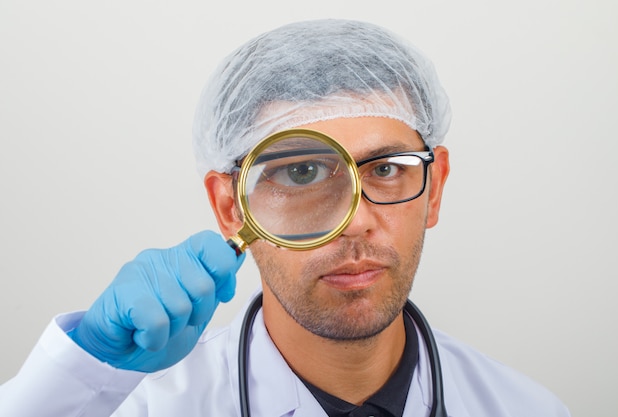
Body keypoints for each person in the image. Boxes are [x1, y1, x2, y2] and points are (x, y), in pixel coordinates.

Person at [0, 19, 570, 417]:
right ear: (231, 206)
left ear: (435, 186)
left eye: (388, 168)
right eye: (301, 173)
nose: (355, 222)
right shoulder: (138, 407)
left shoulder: (528, 409)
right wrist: (87, 371)